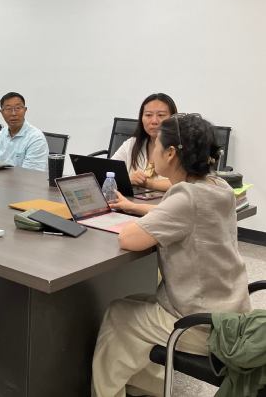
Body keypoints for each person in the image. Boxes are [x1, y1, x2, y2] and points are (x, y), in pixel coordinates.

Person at [91, 113, 251, 397]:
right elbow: (182, 214)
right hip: (232, 313)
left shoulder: (186, 197)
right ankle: (147, 386)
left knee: (118, 314)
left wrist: (126, 218)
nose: (152, 149)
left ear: (171, 153)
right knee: (133, 302)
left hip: (201, 324)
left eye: (157, 144)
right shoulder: (219, 187)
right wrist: (134, 207)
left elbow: (130, 239)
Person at [111, 93, 178, 192]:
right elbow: (109, 173)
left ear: (173, 118)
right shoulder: (132, 144)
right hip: (132, 200)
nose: (154, 121)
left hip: (168, 200)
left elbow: (185, 183)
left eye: (161, 115)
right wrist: (128, 179)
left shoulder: (180, 147)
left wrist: (148, 183)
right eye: (148, 115)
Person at [0, 91, 48, 171]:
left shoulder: (36, 138)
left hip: (25, 179)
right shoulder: (0, 135)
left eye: (18, 108)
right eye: (8, 109)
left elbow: (30, 174)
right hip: (0, 178)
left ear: (25, 110)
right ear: (2, 112)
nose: (13, 113)